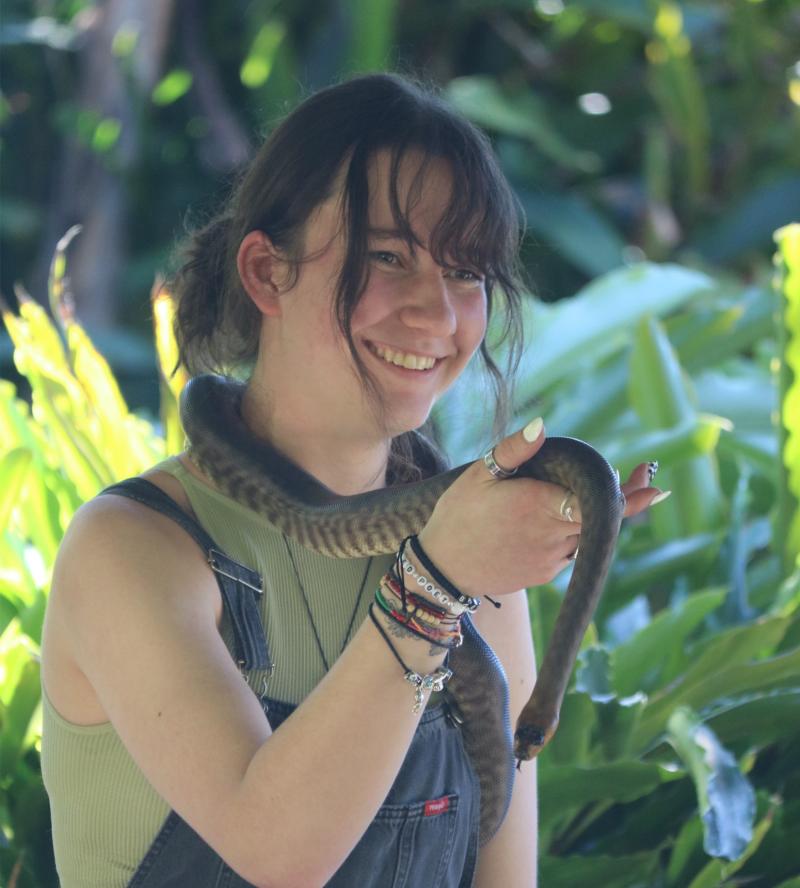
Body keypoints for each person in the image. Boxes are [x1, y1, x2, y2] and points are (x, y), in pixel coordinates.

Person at [40, 72, 666, 888]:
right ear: (267, 272)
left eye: (466, 272)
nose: (437, 314)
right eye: (388, 257)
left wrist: (459, 569)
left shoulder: (477, 556)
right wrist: (434, 586)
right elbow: (275, 852)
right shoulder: (132, 551)